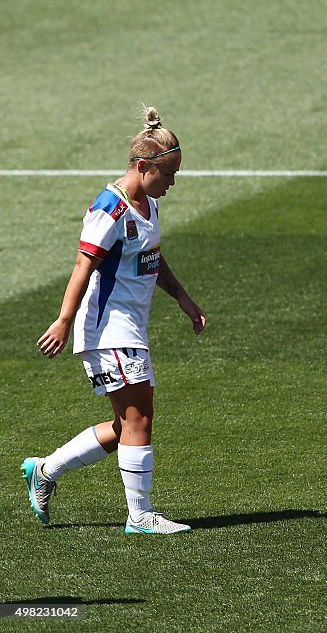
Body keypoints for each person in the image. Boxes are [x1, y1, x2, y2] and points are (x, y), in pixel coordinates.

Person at [23, 107, 205, 534]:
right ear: (143, 167)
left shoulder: (148, 203)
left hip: (128, 327)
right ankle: (139, 516)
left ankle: (45, 470)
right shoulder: (111, 208)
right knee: (139, 418)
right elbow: (83, 265)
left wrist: (182, 297)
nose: (172, 183)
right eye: (168, 174)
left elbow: (150, 258)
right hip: (108, 329)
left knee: (127, 424)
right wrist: (64, 321)